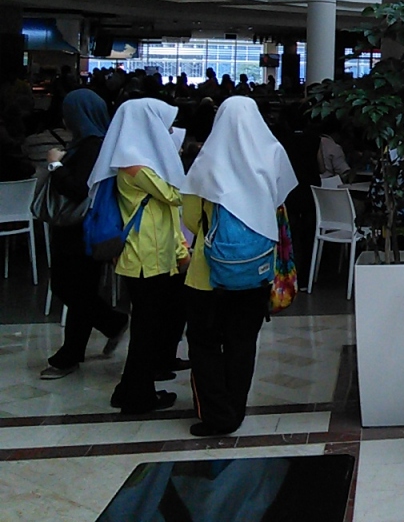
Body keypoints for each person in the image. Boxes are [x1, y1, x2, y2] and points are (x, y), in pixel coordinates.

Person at [182, 96, 297, 436]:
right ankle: (235, 410)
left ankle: (216, 414)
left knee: (203, 343)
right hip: (257, 271)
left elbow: (191, 218)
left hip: (207, 275)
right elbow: (280, 203)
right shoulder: (273, 154)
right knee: (242, 342)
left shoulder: (208, 160)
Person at [89, 98, 189, 415]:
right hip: (146, 258)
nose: (168, 132)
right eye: (163, 125)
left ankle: (130, 389)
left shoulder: (138, 161)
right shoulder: (135, 164)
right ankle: (138, 396)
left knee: (147, 328)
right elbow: (175, 194)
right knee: (147, 330)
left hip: (151, 255)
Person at [41, 90, 130, 379]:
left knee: (71, 288)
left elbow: (80, 189)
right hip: (81, 229)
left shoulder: (92, 147)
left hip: (81, 230)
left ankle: (86, 342)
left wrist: (55, 165)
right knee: (79, 290)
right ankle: (98, 333)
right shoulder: (95, 144)